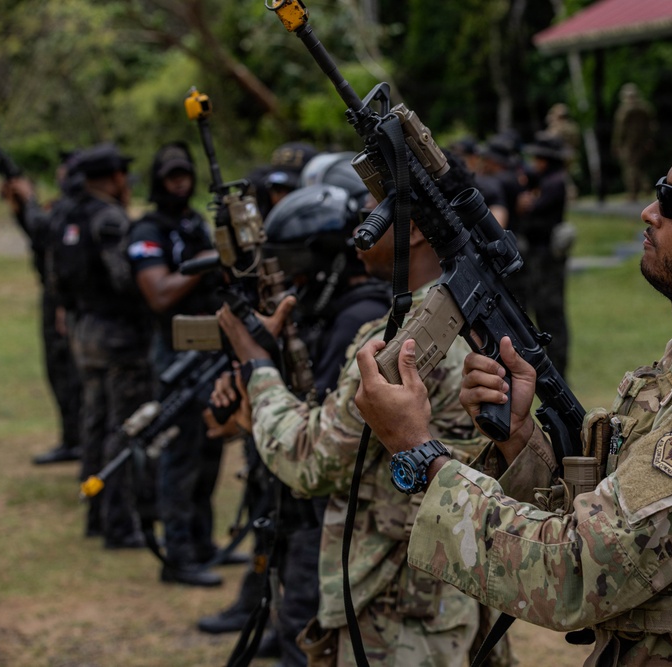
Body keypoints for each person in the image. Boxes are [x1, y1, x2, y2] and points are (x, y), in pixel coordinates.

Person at [354, 103, 672, 666]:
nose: (650, 212)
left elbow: (577, 573)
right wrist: (521, 439)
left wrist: (418, 452)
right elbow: (616, 524)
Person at [213, 151, 486, 667]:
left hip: (392, 614)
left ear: (416, 229)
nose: (359, 228)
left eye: (370, 213)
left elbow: (312, 460)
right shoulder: (472, 313)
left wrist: (257, 366)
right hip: (441, 599)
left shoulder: (407, 343)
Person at [198, 179, 392, 667]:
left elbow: (318, 426)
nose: (291, 279)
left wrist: (258, 366)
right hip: (304, 500)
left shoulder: (361, 318)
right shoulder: (329, 310)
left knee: (305, 628)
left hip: (326, 504)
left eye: (297, 264)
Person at [126, 141, 232, 587]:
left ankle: (203, 543)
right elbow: (158, 293)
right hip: (176, 353)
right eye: (172, 177)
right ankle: (178, 555)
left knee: (210, 448)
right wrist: (206, 262)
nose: (180, 184)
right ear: (158, 181)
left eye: (185, 175)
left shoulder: (194, 224)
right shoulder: (147, 230)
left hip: (213, 347)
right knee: (180, 453)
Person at [58, 142, 154, 547]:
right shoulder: (109, 218)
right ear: (116, 178)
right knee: (123, 427)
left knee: (94, 424)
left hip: (85, 332)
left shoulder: (71, 215)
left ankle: (96, 513)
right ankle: (118, 522)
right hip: (118, 337)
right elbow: (124, 279)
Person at [0, 153, 85, 466]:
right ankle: (72, 438)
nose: (60, 173)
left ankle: (78, 441)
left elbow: (42, 229)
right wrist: (20, 206)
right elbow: (37, 237)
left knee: (69, 371)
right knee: (57, 370)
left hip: (66, 300)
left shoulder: (73, 209)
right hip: (55, 298)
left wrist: (30, 199)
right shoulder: (62, 207)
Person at [514, 133, 572, 376]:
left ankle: (558, 369)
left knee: (550, 314)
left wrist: (524, 205)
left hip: (547, 258)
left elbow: (533, 213)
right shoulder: (547, 180)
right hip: (540, 256)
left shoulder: (554, 183)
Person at [612, 83, 657, 201]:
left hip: (628, 143)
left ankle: (634, 193)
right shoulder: (645, 108)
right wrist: (649, 140)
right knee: (640, 166)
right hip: (642, 141)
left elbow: (620, 129)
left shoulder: (623, 110)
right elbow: (652, 126)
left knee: (630, 167)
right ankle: (645, 188)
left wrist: (617, 144)